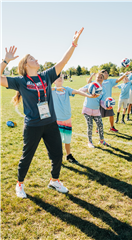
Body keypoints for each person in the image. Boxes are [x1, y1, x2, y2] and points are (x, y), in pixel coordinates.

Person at [0, 27, 84, 198]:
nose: (36, 59)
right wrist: (5, 61)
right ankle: (20, 184)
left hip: (50, 123)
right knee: (27, 156)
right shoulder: (21, 81)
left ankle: (54, 181)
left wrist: (73, 44)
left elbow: (63, 61)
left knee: (57, 154)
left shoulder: (46, 76)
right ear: (25, 65)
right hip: (33, 125)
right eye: (32, 58)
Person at [52, 75, 97, 164]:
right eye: (57, 77)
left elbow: (77, 92)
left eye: (61, 77)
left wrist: (89, 96)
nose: (60, 78)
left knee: (67, 139)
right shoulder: (51, 91)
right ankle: (56, 157)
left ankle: (68, 155)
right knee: (57, 141)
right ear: (53, 81)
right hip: (56, 120)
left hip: (67, 119)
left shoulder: (66, 89)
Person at [79, 72, 111, 148]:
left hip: (96, 111)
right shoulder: (90, 85)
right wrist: (87, 89)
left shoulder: (103, 90)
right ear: (95, 78)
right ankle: (90, 142)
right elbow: (80, 90)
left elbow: (102, 102)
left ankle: (102, 141)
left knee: (100, 125)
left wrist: (107, 107)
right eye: (98, 77)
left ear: (103, 79)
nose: (99, 79)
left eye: (101, 77)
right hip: (87, 110)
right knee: (90, 126)